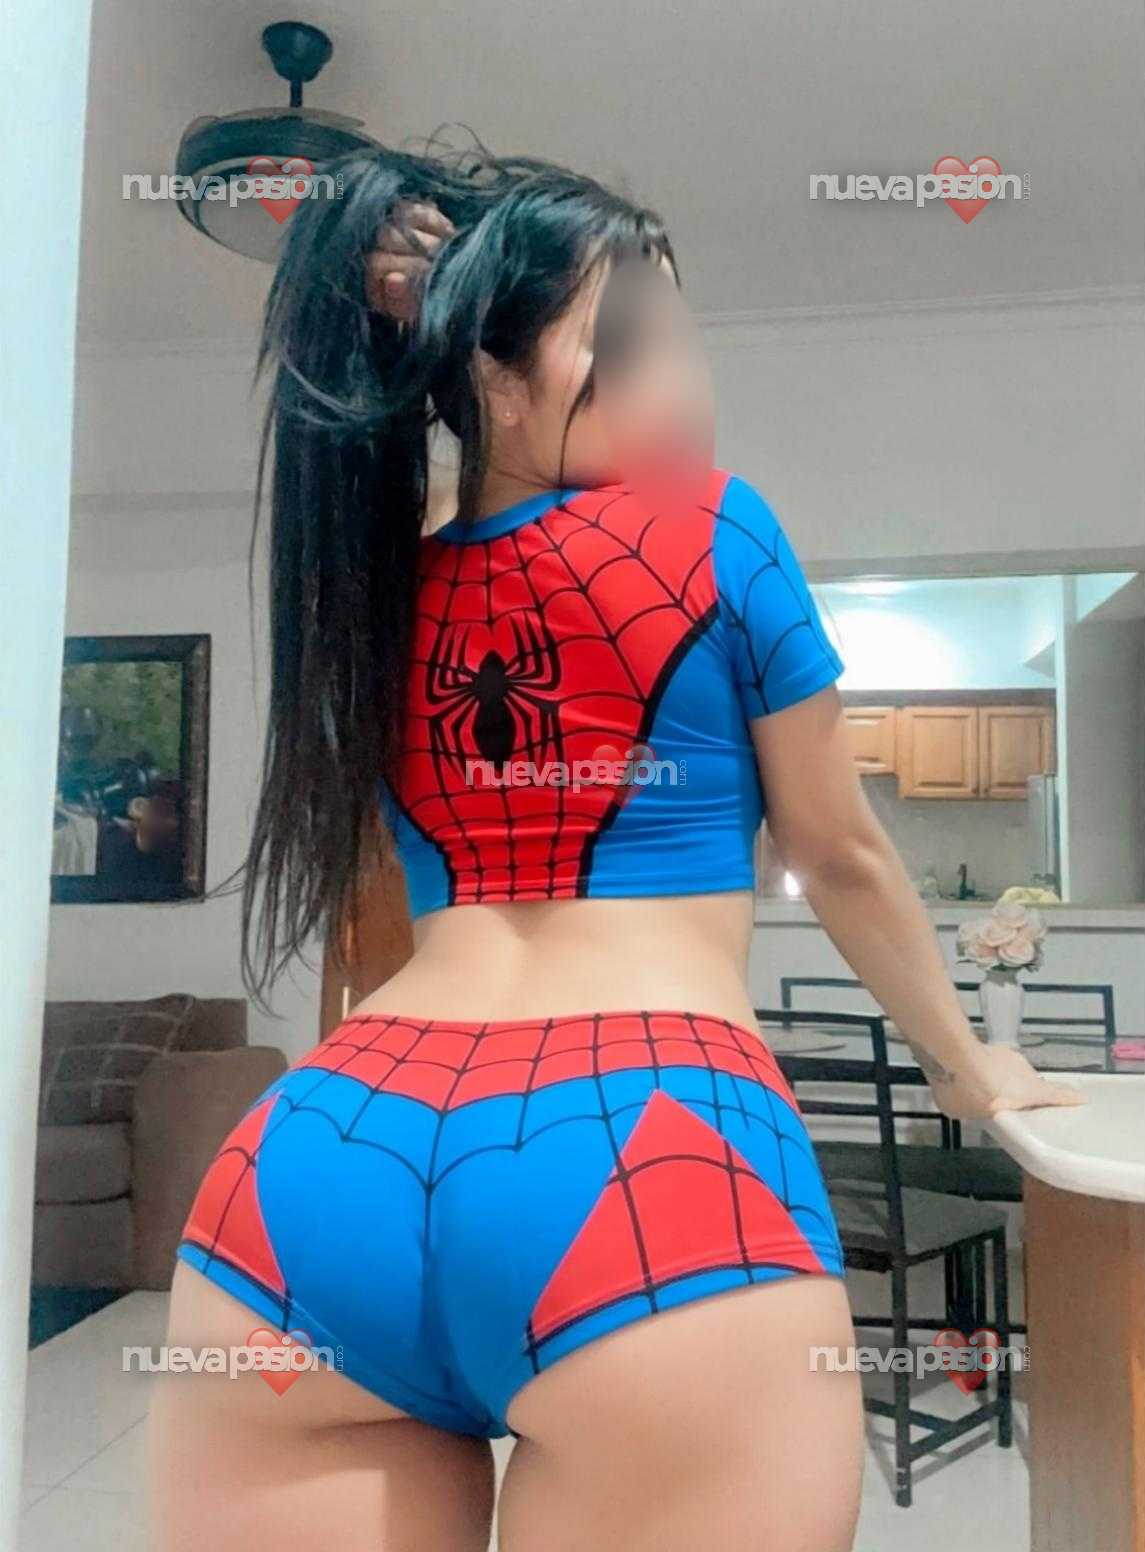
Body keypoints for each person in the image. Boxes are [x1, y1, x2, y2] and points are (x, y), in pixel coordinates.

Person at [146, 140, 1082, 1552]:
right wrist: (967, 1063)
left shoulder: (373, 580)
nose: (695, 380)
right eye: (653, 337)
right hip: (652, 1151)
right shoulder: (719, 527)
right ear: (496, 375)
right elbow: (839, 853)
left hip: (318, 1166)